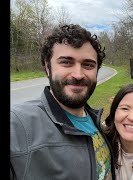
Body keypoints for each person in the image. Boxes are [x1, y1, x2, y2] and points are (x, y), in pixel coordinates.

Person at [10, 24, 115, 180]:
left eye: (88, 65)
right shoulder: (17, 125)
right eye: (66, 62)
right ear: (47, 67)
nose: (78, 74)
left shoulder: (96, 121)